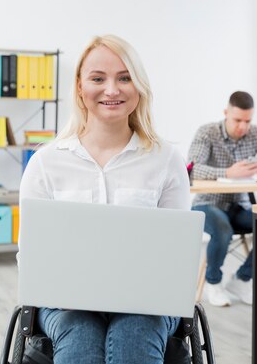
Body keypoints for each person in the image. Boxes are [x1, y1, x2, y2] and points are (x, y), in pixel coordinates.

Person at [19, 35, 190, 364]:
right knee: (79, 334)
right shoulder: (46, 163)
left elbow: (177, 259)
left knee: (135, 332)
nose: (112, 90)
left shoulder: (166, 160)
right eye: (98, 78)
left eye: (124, 78)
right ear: (80, 87)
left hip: (148, 303)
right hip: (65, 304)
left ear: (138, 86)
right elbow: (31, 258)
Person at [188, 91, 257, 306]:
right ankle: (213, 283)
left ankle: (242, 279)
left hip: (240, 206)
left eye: (247, 121)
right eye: (237, 120)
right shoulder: (207, 133)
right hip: (207, 203)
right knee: (222, 228)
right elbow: (193, 169)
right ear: (226, 113)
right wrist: (227, 173)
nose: (242, 126)